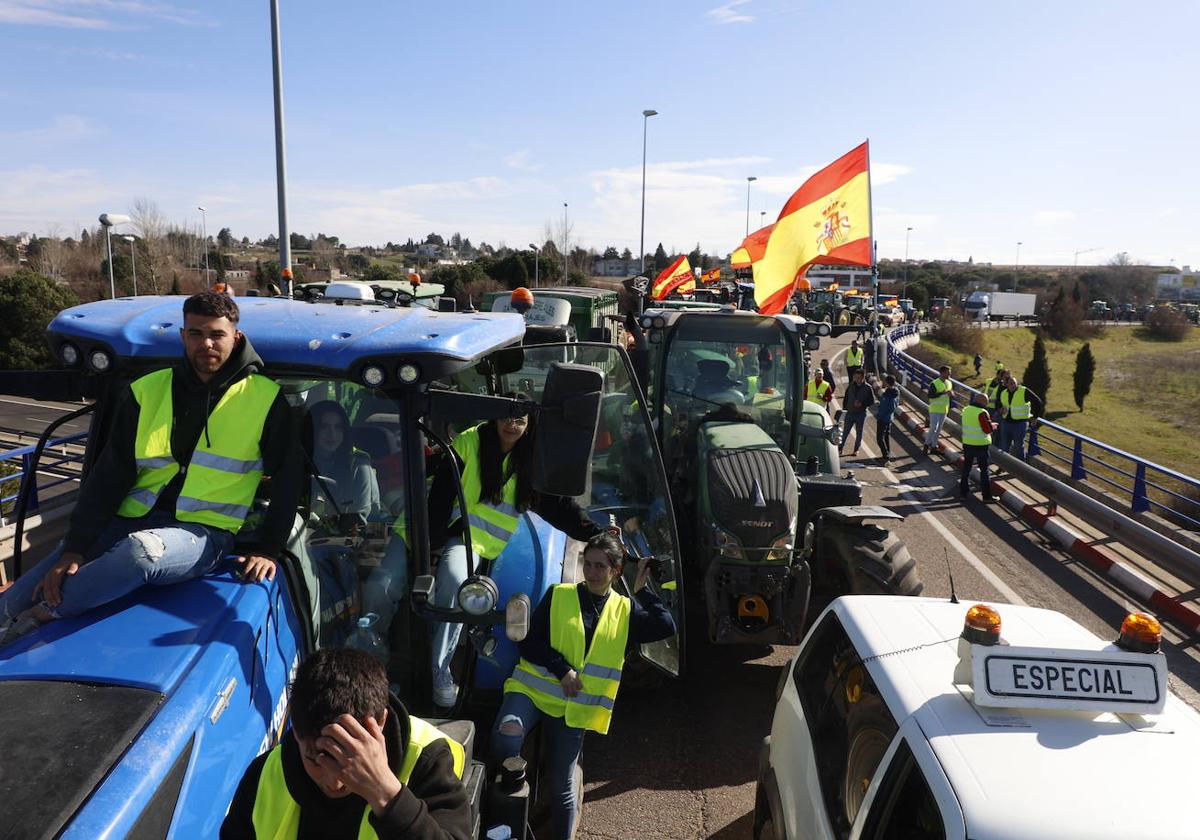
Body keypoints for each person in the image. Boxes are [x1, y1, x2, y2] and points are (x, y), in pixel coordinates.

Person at [0, 292, 301, 646]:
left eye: (216, 334)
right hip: (128, 521)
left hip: (204, 533)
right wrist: (75, 548)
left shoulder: (264, 398)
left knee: (142, 554)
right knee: (15, 597)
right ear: (182, 336)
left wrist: (269, 549)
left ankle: (49, 612)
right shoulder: (147, 391)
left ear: (235, 337)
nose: (206, 343)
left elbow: (287, 477)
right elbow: (109, 475)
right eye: (195, 333)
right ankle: (19, 612)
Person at [491, 532, 676, 840]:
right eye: (587, 564)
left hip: (573, 710)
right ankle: (504, 820)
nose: (591, 572)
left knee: (561, 788)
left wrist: (643, 591)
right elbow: (528, 644)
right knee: (505, 742)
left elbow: (665, 624)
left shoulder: (625, 612)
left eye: (600, 567)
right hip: (531, 691)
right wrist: (562, 669)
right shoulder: (558, 594)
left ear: (616, 571)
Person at [427, 402, 602, 709]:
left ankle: (444, 667)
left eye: (520, 419)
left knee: (467, 592)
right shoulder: (470, 442)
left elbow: (557, 507)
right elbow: (441, 491)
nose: (512, 424)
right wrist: (433, 541)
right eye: (506, 417)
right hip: (460, 537)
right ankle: (431, 669)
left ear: (529, 424)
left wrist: (596, 533)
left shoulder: (529, 462)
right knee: (449, 583)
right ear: (495, 419)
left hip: (488, 546)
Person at [221, 647, 472, 839]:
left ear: (381, 723)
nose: (335, 781)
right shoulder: (264, 776)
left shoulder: (426, 760)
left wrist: (385, 794)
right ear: (296, 733)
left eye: (348, 758)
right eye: (316, 761)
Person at [309, 400, 375, 527]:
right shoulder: (299, 461)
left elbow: (358, 520)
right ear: (313, 430)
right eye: (324, 426)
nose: (332, 434)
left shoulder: (359, 465)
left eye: (338, 427)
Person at [960, 391, 996, 502]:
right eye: (986, 402)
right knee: (984, 470)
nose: (987, 405)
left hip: (967, 443)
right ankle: (986, 496)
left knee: (966, 468)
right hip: (981, 444)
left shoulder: (966, 410)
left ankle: (963, 493)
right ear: (983, 402)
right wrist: (993, 427)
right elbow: (987, 429)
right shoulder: (982, 412)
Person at [997, 376, 1040, 461]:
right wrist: (1000, 410)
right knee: (1004, 447)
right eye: (1011, 383)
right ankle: (1003, 466)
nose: (1013, 385)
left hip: (1020, 424)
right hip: (1006, 423)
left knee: (1018, 447)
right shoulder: (1003, 393)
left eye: (1014, 382)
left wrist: (1035, 417)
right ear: (1006, 384)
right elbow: (998, 404)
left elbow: (1038, 402)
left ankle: (1021, 469)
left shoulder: (1024, 391)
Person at [839, 369, 875, 457]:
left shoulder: (868, 388)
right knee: (845, 433)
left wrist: (862, 404)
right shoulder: (851, 386)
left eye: (858, 378)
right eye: (855, 377)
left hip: (861, 414)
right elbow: (846, 398)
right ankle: (840, 449)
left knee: (859, 433)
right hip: (850, 413)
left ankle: (856, 450)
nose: (856, 379)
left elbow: (871, 401)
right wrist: (844, 409)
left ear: (863, 378)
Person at [922, 365, 952, 455]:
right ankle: (926, 445)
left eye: (950, 372)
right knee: (933, 428)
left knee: (939, 429)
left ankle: (934, 447)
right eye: (948, 372)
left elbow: (948, 394)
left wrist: (951, 394)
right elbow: (930, 395)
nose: (949, 374)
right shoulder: (934, 383)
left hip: (944, 409)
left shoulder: (949, 383)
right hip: (935, 409)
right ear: (942, 373)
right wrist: (944, 393)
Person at [875, 374, 900, 463]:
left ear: (887, 383)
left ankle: (885, 456)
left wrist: (880, 415)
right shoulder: (894, 392)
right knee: (885, 437)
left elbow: (890, 407)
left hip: (884, 419)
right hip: (888, 418)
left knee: (879, 438)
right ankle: (887, 454)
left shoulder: (890, 394)